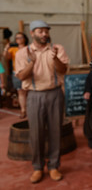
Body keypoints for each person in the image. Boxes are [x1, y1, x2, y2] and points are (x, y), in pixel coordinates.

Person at [15, 20, 69, 184]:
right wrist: (32, 63)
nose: (44, 34)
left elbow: (63, 70)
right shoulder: (22, 53)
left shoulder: (57, 49)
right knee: (36, 133)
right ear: (32, 33)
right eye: (40, 31)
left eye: (46, 31)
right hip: (34, 95)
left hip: (54, 93)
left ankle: (54, 166)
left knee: (55, 131)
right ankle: (38, 167)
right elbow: (21, 76)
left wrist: (56, 59)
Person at [3, 32, 29, 118]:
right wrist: (6, 49)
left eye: (20, 37)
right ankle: (23, 110)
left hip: (28, 72)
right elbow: (7, 57)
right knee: (20, 92)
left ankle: (31, 110)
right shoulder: (13, 49)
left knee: (30, 92)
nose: (18, 39)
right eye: (17, 38)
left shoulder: (29, 48)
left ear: (25, 38)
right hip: (17, 72)